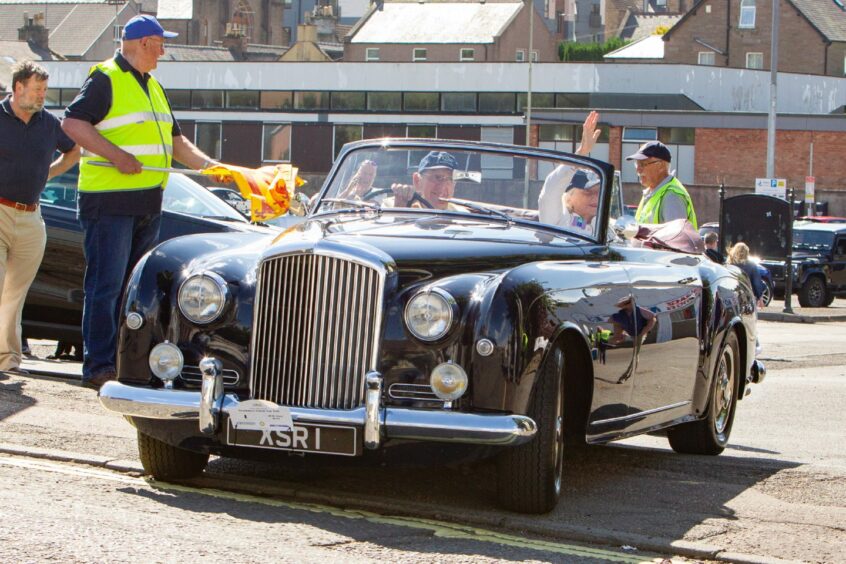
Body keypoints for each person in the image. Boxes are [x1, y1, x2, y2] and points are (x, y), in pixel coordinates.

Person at [62, 15, 220, 389]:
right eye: (161, 43)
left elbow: (176, 142)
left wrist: (213, 167)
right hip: (110, 201)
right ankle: (99, 365)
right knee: (107, 286)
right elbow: (72, 124)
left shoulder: (153, 86)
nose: (164, 51)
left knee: (134, 291)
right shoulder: (106, 78)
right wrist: (117, 155)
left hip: (146, 202)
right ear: (145, 42)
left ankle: (125, 364)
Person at [0, 60, 80, 375]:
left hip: (32, 217)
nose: (42, 95)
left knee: (15, 294)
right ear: (18, 87)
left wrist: (50, 173)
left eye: (45, 90)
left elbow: (74, 151)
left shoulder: (49, 123)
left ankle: (8, 362)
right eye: (37, 89)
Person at [537, 110, 603, 234]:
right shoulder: (559, 219)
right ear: (569, 197)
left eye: (599, 192)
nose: (596, 198)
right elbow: (551, 188)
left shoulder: (604, 225)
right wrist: (581, 152)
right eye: (588, 192)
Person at [626, 141, 697, 228]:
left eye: (643, 164)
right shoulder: (651, 193)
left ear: (660, 166)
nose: (638, 170)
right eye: (637, 164)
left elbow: (676, 239)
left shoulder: (672, 196)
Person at [387, 151, 460, 210]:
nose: (443, 186)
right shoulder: (390, 206)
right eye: (437, 177)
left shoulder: (462, 215)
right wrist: (399, 210)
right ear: (417, 181)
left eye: (450, 179)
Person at [728, 242, 764, 308]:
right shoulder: (751, 265)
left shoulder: (729, 264)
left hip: (731, 295)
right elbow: (757, 283)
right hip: (746, 295)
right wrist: (760, 297)